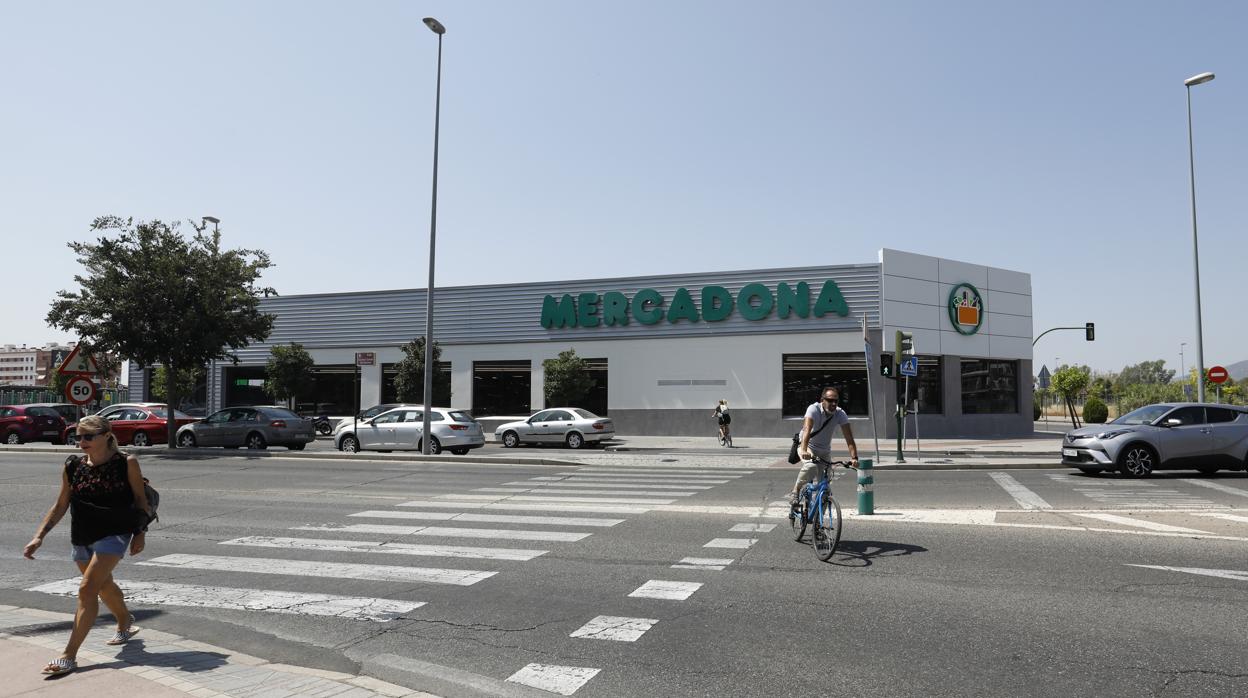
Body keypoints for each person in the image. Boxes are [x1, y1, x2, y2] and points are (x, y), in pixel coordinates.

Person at [24, 415, 150, 676]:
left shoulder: (126, 463)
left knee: (86, 590)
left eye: (88, 436)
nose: (81, 441)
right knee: (103, 584)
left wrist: (140, 533)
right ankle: (125, 620)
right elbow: (60, 505)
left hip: (115, 533)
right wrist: (39, 536)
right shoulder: (73, 465)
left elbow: (140, 500)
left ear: (106, 435)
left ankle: (68, 655)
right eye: (78, 436)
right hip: (82, 534)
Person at [787, 387, 858, 506]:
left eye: (836, 401)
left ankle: (818, 521)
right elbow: (807, 430)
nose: (833, 403)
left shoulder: (840, 413)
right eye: (830, 400)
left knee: (826, 490)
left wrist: (854, 458)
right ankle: (796, 490)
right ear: (822, 400)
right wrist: (804, 450)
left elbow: (849, 438)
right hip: (807, 446)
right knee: (811, 466)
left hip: (824, 451)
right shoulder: (813, 409)